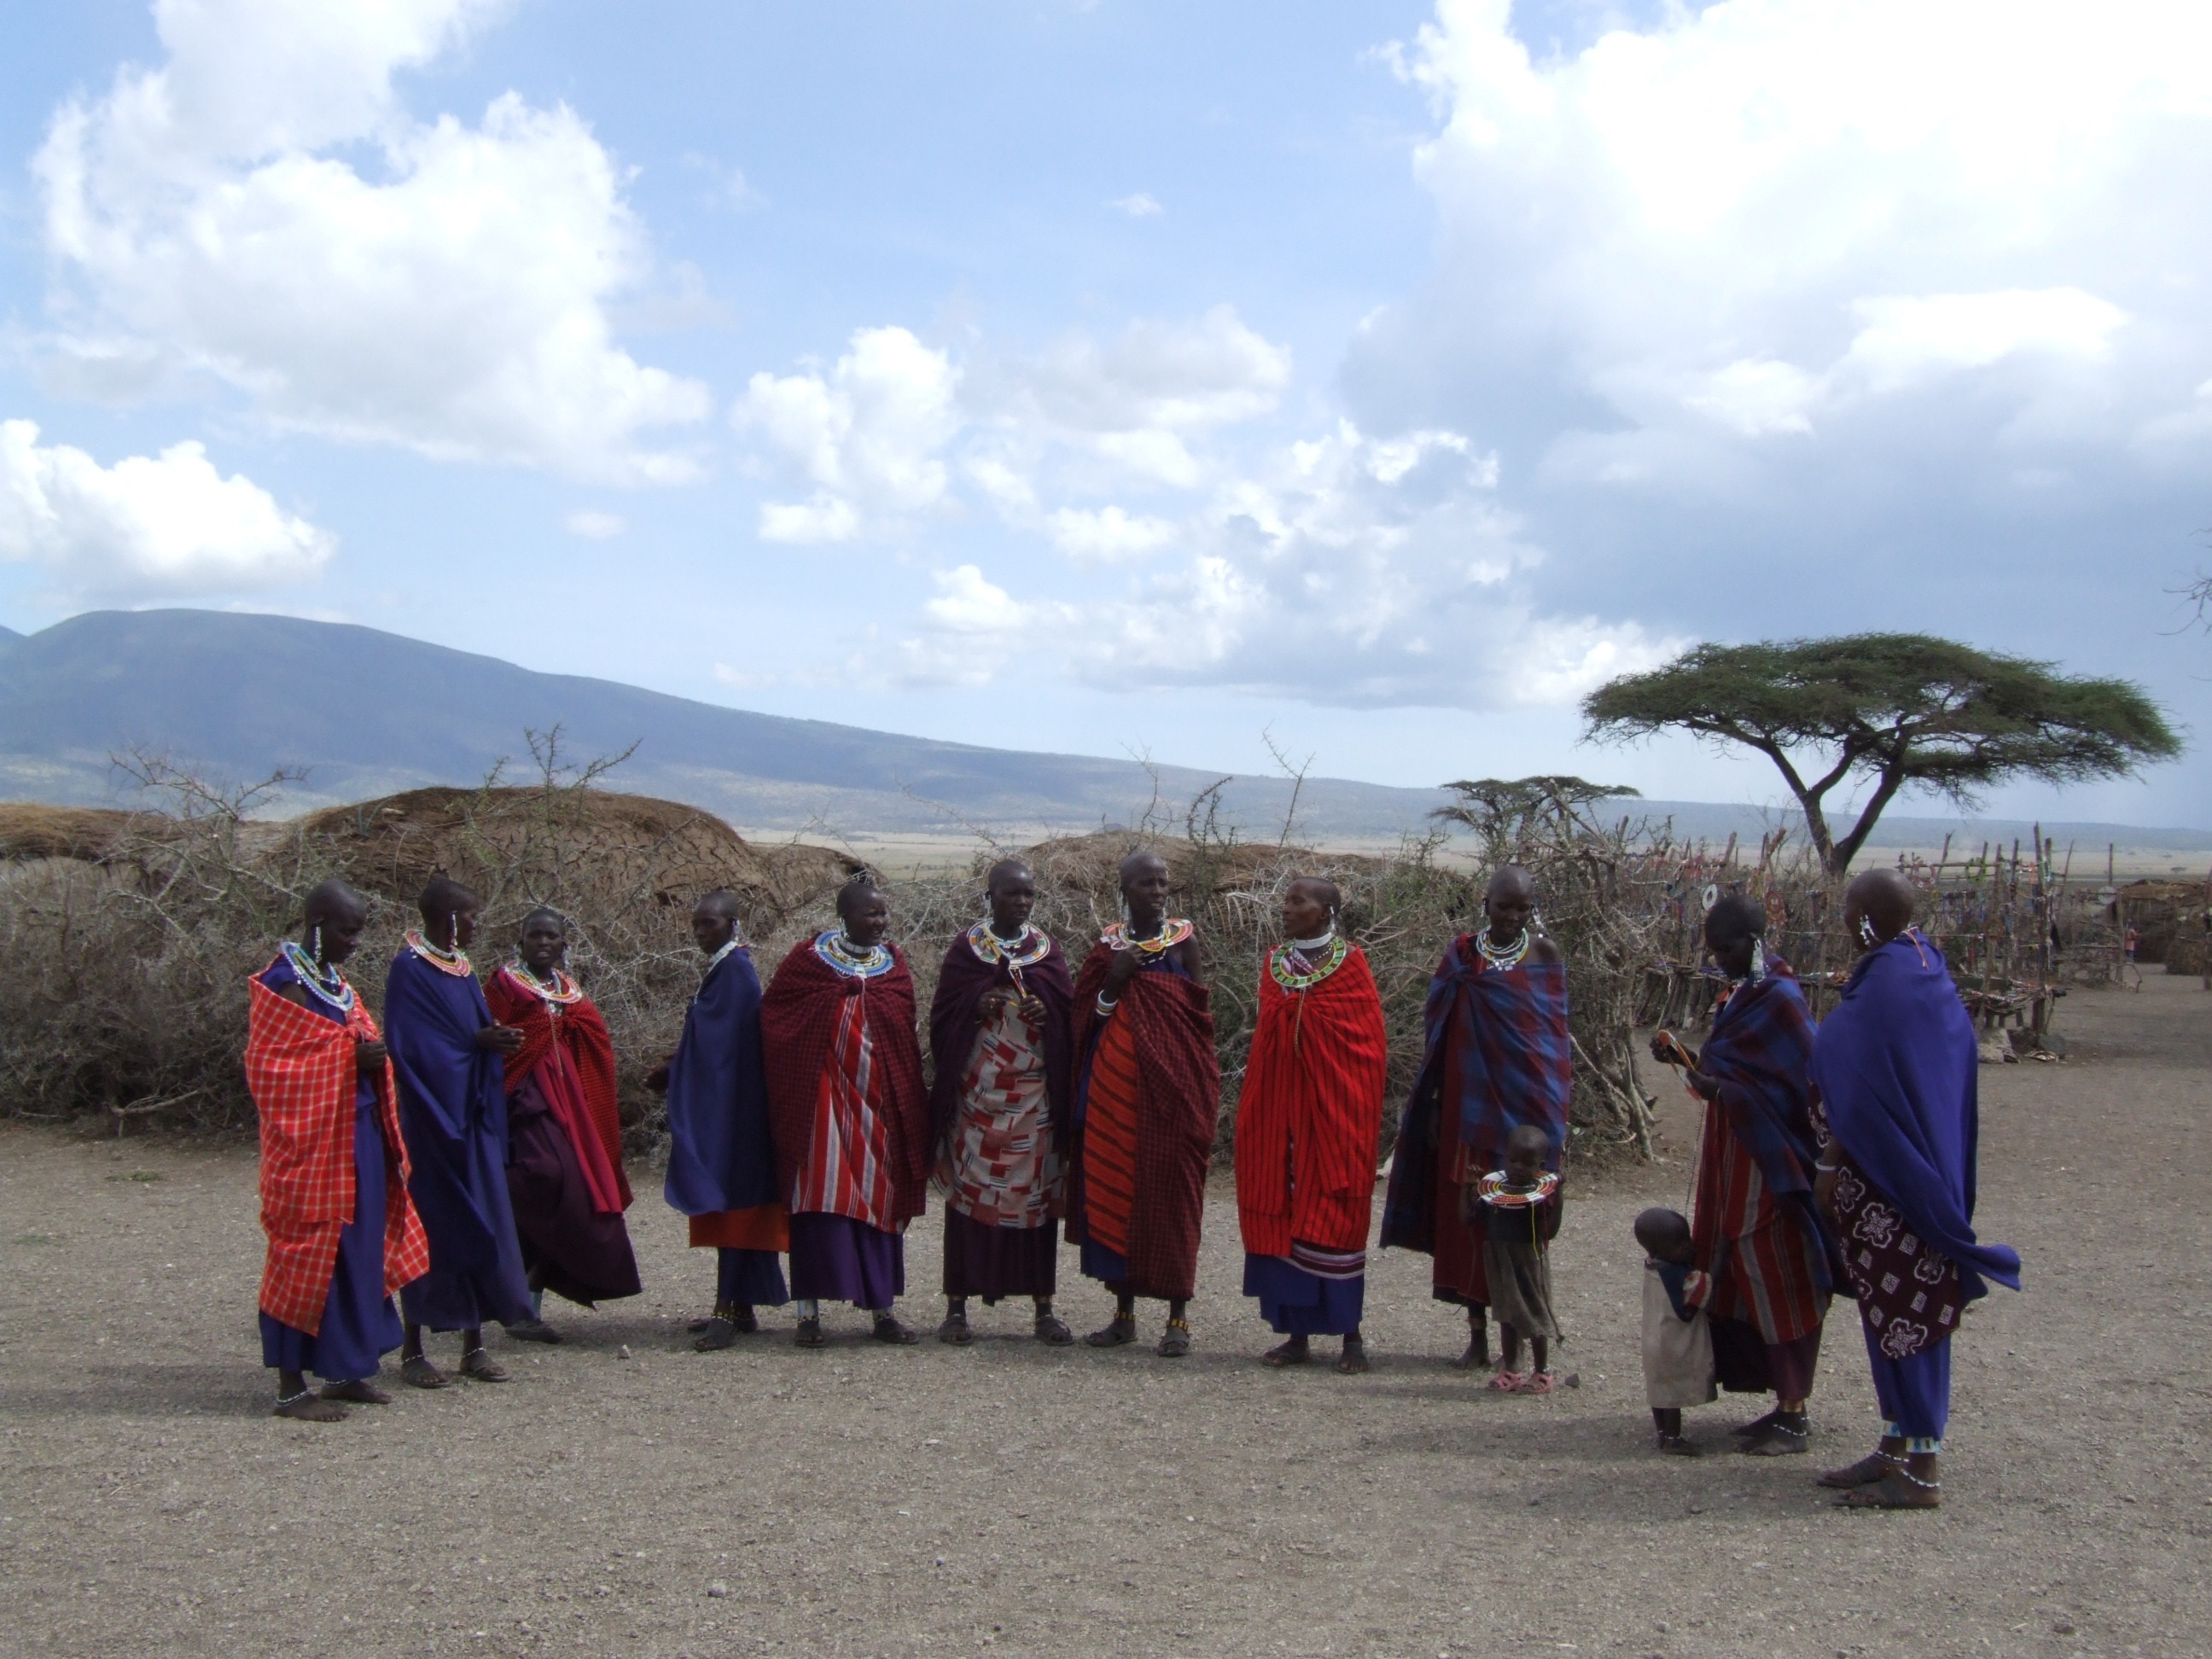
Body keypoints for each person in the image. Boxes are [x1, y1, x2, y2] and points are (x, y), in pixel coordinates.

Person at [1811, 868, 2023, 1511]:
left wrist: (1828, 1163)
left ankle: (1923, 1471)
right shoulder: (1922, 966)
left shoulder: (1887, 988)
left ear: (1868, 918)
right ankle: (1896, 1441)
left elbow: (1860, 1087)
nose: (1844, 920)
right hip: (1920, 1167)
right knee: (1889, 1315)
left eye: (1849, 909)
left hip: (1892, 1180)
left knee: (1912, 1318)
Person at [1648, 894, 1837, 1456]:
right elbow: (1725, 1070)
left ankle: (1794, 1414)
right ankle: (1778, 1402)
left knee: (1774, 1273)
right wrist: (1683, 1057)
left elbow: (1803, 1083)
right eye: (1711, 951)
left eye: (1725, 949)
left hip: (1769, 1162)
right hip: (1734, 1154)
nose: (1717, 960)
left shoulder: (1780, 1001)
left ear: (1753, 943)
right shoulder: (1744, 995)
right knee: (1736, 1268)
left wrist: (1721, 1089)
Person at [247, 879, 429, 1421]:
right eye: (348, 931)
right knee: (308, 1251)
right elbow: (269, 1071)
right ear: (318, 924)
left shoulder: (333, 984)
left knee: (358, 1252)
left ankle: (346, 1370)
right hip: (313, 1146)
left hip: (359, 1140)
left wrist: (367, 1060)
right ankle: (289, 1387)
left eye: (359, 932)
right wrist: (350, 1062)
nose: (355, 942)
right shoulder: (285, 985)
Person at [1380, 866, 1570, 1373]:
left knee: (1520, 1220)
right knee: (1471, 1217)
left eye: (1521, 908)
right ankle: (1478, 1334)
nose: (1511, 917)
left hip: (1524, 1118)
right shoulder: (1463, 955)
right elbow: (1438, 1030)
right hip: (1468, 1106)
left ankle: (1527, 1335)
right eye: (1503, 906)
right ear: (1485, 903)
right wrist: (1437, 1101)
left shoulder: (1544, 955)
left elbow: (1550, 1047)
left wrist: (1553, 1127)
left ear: (1532, 910)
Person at [760, 876, 932, 1347]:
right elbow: (776, 1020)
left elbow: (902, 1036)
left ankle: (882, 1311)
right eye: (870, 914)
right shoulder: (807, 963)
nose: (880, 922)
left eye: (883, 914)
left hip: (879, 1108)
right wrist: (834, 1005)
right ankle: (808, 1315)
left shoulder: (893, 967)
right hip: (821, 1107)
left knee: (880, 1201)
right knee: (819, 1196)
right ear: (844, 917)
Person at [1065, 850, 1220, 1358]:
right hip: (1115, 1088)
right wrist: (1116, 978)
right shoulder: (1107, 946)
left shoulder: (1184, 940)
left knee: (1172, 1196)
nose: (1157, 892)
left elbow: (1198, 1019)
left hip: (1174, 1088)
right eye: (1146, 884)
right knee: (1117, 1189)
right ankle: (1122, 1314)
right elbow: (1088, 1018)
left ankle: (1178, 1318)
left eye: (1162, 883)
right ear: (1125, 889)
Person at [385, 876, 533, 1388]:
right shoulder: (409, 970)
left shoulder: (463, 970)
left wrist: (490, 1043)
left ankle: (473, 1346)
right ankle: (411, 1351)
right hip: (432, 1122)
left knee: (479, 1223)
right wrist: (475, 1042)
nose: (475, 924)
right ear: (448, 918)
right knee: (431, 1228)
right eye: (469, 916)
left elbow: (467, 1033)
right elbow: (411, 1047)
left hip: (470, 1117)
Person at [1234, 876, 1387, 1374]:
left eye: (1298, 901)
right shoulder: (1275, 963)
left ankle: (1351, 1338)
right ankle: (1295, 1335)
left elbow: (1366, 1045)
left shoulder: (1352, 964)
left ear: (1325, 912)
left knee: (1336, 1215)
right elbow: (1269, 1031)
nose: (1287, 907)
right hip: (1280, 1109)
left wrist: (1308, 1020)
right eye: (1288, 900)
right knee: (1285, 1208)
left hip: (1336, 1112)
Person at [927, 859, 1077, 1346]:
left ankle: (1043, 1308)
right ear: (988, 897)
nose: (1022, 902)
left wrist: (1045, 1010)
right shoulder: (965, 950)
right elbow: (944, 1013)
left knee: (1036, 1201)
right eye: (1012, 893)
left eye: (1029, 894)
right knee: (969, 1199)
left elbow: (1067, 1014)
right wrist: (976, 1004)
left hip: (1034, 1099)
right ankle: (956, 1307)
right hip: (978, 1097)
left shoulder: (1046, 950)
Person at [483, 907, 642, 1330]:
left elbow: (595, 1042)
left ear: (563, 945)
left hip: (570, 1107)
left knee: (574, 1193)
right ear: (520, 941)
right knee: (543, 1178)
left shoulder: (570, 991)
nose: (542, 943)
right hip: (524, 1103)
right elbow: (485, 1039)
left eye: (551, 937)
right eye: (534, 935)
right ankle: (507, 1294)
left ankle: (528, 1305)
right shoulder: (504, 985)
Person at [649, 891, 789, 1351]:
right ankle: (740, 1305)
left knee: (733, 1205)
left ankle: (727, 1310)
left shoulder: (736, 974)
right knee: (730, 1203)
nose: (700, 933)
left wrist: (677, 1069)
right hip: (730, 1107)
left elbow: (720, 1050)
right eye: (696, 925)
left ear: (733, 923)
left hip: (735, 1114)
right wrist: (677, 1066)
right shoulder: (725, 970)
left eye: (708, 924)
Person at [1478, 1123, 1565, 1391]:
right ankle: (1512, 1369)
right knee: (1507, 1314)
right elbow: (1468, 1219)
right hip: (1500, 1257)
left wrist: (1558, 1193)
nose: (1517, 1167)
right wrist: (1467, 1191)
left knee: (1534, 1312)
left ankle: (1542, 1372)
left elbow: (1551, 1231)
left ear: (1540, 1165)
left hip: (1528, 1259)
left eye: (1527, 1163)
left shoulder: (1540, 1197)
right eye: (1512, 1160)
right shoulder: (1492, 1192)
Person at [1636, 1207, 1714, 1454]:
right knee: (1671, 1394)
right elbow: (1692, 1302)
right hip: (1671, 1341)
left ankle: (1662, 1433)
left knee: (1658, 1390)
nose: (1689, 1246)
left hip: (1653, 1337)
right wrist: (1721, 1259)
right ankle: (1673, 1438)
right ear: (1658, 1250)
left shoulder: (1652, 1264)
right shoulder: (1674, 1273)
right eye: (1681, 1244)